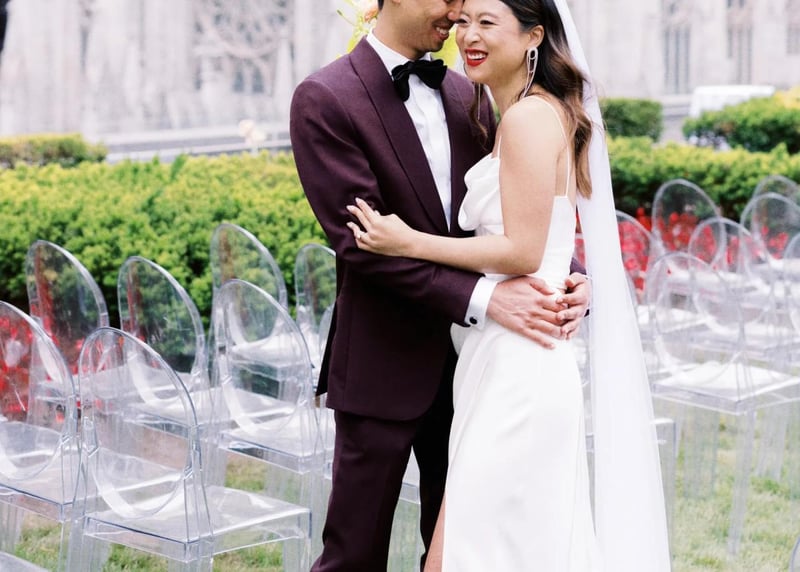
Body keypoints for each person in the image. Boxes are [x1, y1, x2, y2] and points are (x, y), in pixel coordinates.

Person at [345, 0, 672, 570]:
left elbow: (522, 249)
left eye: (486, 22)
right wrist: (574, 277)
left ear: (533, 37)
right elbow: (546, 229)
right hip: (500, 354)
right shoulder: (508, 112)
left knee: (454, 555)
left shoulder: (526, 119)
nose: (467, 34)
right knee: (507, 551)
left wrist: (408, 241)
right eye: (464, 20)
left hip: (520, 365)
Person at [289, 0, 590, 569]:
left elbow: (515, 211)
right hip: (384, 362)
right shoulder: (326, 97)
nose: (457, 13)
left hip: (480, 369)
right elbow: (364, 245)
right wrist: (487, 299)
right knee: (354, 552)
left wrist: (571, 276)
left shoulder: (469, 90)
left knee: (465, 548)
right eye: (449, 0)